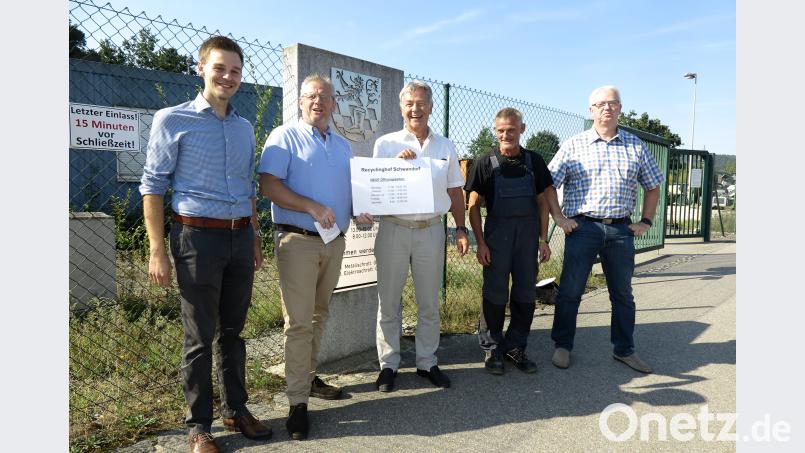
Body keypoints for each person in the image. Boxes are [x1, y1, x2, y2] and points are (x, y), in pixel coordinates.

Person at [139, 36, 271, 453]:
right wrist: (157, 249)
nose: (228, 77)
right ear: (201, 69)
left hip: (240, 237)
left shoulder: (244, 127)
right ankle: (199, 427)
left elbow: (248, 187)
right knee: (199, 336)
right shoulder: (172, 119)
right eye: (219, 68)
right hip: (196, 238)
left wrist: (254, 237)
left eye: (235, 70)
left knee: (233, 331)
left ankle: (236, 409)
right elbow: (153, 186)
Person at [258, 74, 372, 440]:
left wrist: (359, 211)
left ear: (334, 103)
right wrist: (310, 206)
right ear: (300, 101)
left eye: (324, 96)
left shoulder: (341, 146)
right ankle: (297, 403)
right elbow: (268, 186)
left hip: (334, 242)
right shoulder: (284, 136)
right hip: (297, 241)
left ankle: (307, 379)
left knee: (319, 315)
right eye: (311, 95)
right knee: (299, 323)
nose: (317, 101)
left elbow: (347, 191)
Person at [545, 85, 663, 374]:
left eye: (613, 103)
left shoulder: (635, 146)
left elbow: (653, 186)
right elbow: (548, 184)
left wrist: (646, 221)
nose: (607, 108)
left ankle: (624, 349)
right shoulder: (574, 145)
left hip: (621, 231)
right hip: (582, 228)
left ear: (620, 108)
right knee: (570, 291)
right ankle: (563, 346)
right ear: (591, 110)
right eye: (601, 104)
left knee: (622, 294)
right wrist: (559, 217)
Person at [372, 80, 469, 393]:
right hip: (394, 228)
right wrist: (395, 168)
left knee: (429, 303)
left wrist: (460, 228)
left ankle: (427, 361)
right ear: (401, 108)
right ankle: (388, 365)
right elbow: (375, 188)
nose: (415, 109)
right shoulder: (385, 144)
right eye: (409, 103)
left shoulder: (445, 146)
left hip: (431, 230)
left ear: (430, 107)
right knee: (389, 302)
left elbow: (455, 190)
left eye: (421, 103)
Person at [465, 107, 553, 376]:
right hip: (497, 239)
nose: (506, 135)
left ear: (522, 129)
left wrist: (543, 240)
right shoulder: (485, 162)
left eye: (511, 130)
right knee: (495, 293)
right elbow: (472, 206)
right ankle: (492, 348)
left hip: (527, 240)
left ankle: (516, 347)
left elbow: (543, 203)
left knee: (525, 293)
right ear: (496, 131)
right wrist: (481, 243)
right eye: (501, 131)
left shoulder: (534, 161)